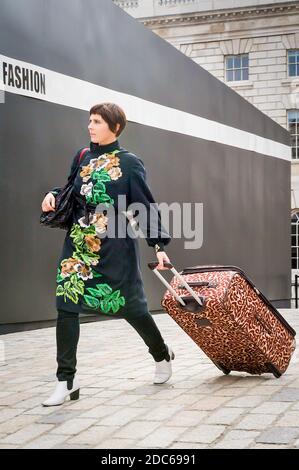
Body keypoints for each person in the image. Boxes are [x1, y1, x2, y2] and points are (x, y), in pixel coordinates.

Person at [41, 102, 175, 406]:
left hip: (115, 245)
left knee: (132, 308)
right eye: (89, 120)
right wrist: (52, 194)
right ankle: (65, 382)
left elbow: (144, 205)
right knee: (66, 304)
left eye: (97, 121)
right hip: (78, 246)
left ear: (115, 127)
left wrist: (158, 246)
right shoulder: (82, 156)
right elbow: (70, 190)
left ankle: (161, 352)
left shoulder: (129, 163)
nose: (90, 126)